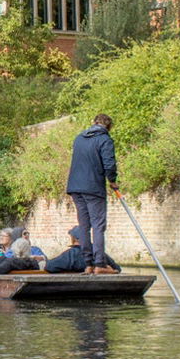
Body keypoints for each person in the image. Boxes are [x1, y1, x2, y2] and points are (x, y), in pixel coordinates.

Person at [66, 113, 120, 275]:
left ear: (93, 122)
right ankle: (100, 264)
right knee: (98, 226)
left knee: (84, 226)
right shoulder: (105, 140)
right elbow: (109, 164)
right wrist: (112, 180)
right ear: (108, 127)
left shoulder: (79, 139)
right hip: (93, 188)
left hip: (75, 187)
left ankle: (88, 264)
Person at [47, 226, 121, 274]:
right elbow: (117, 268)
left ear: (73, 238)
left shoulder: (72, 253)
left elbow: (49, 267)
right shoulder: (99, 252)